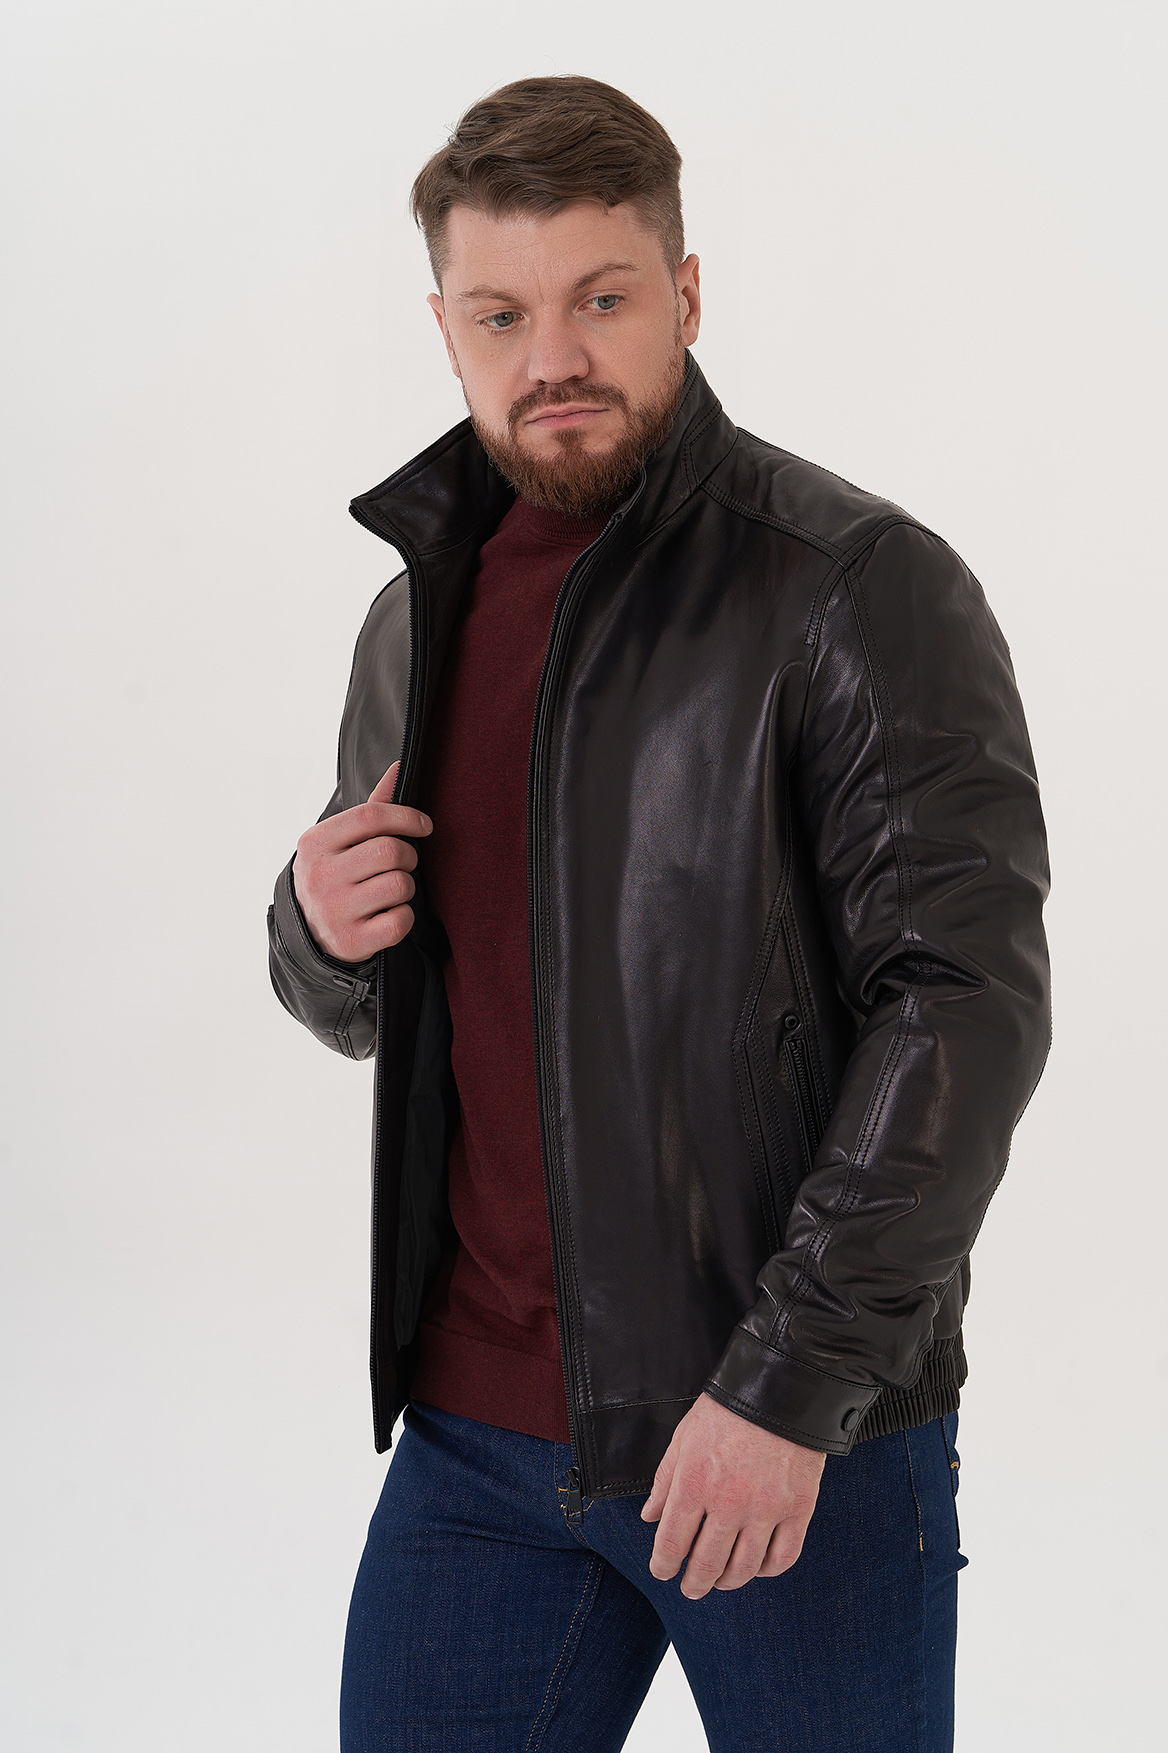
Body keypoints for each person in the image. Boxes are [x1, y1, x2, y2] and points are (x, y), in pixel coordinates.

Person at [268, 74, 1051, 1753]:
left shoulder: (856, 585)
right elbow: (390, 1000)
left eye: (602, 298)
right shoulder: (418, 620)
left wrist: (789, 1383)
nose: (553, 354)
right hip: (477, 1443)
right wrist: (317, 931)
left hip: (783, 1439)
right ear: (445, 328)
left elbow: (962, 1008)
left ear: (687, 296)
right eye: (501, 313)